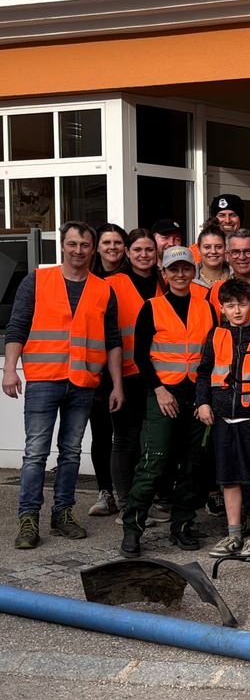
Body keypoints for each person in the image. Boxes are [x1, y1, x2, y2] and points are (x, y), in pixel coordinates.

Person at [7, 221, 122, 550]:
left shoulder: (102, 288)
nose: (78, 250)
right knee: (35, 454)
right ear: (62, 246)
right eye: (72, 244)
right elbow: (18, 326)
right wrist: (10, 370)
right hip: (44, 378)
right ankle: (28, 518)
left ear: (92, 248)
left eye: (84, 245)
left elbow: (112, 340)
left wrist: (117, 385)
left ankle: (63, 514)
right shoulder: (37, 280)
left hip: (83, 381)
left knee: (71, 452)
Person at [120, 246, 218, 557]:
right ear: (164, 274)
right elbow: (140, 356)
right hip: (164, 394)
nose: (180, 275)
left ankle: (183, 525)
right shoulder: (152, 307)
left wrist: (206, 397)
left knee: (193, 464)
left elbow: (213, 353)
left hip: (197, 395)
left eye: (185, 269)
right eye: (173, 270)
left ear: (193, 272)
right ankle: (132, 528)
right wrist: (159, 390)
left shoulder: (207, 307)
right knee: (155, 461)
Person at [197, 278, 250, 559]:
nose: (237, 311)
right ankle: (233, 534)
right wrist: (202, 403)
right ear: (221, 308)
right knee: (228, 479)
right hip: (223, 418)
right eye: (230, 306)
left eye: (242, 304)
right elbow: (204, 372)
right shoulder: (215, 336)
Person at [103, 229, 161, 513]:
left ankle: (148, 501)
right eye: (137, 249)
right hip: (123, 375)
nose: (144, 255)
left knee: (152, 441)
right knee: (125, 439)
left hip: (159, 375)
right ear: (127, 253)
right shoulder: (110, 284)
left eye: (149, 249)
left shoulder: (165, 282)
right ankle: (126, 503)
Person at [87, 222, 129, 517]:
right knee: (102, 433)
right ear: (97, 247)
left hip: (132, 367)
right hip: (96, 370)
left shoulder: (135, 276)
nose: (112, 248)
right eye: (107, 243)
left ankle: (129, 494)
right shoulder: (88, 281)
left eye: (118, 242)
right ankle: (105, 492)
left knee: (127, 435)